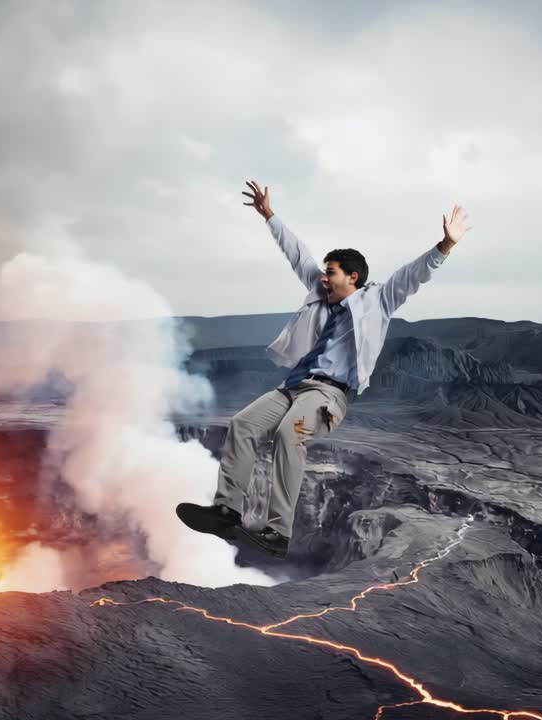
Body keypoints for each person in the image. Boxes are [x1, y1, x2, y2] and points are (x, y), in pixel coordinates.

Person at [179, 180, 471, 558]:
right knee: (243, 424)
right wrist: (269, 216)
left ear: (352, 277)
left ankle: (277, 532)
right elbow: (298, 255)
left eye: (330, 272)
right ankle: (226, 511)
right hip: (294, 387)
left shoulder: (379, 300)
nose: (322, 277)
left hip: (327, 394)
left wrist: (445, 245)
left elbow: (414, 274)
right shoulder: (320, 296)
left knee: (289, 435)